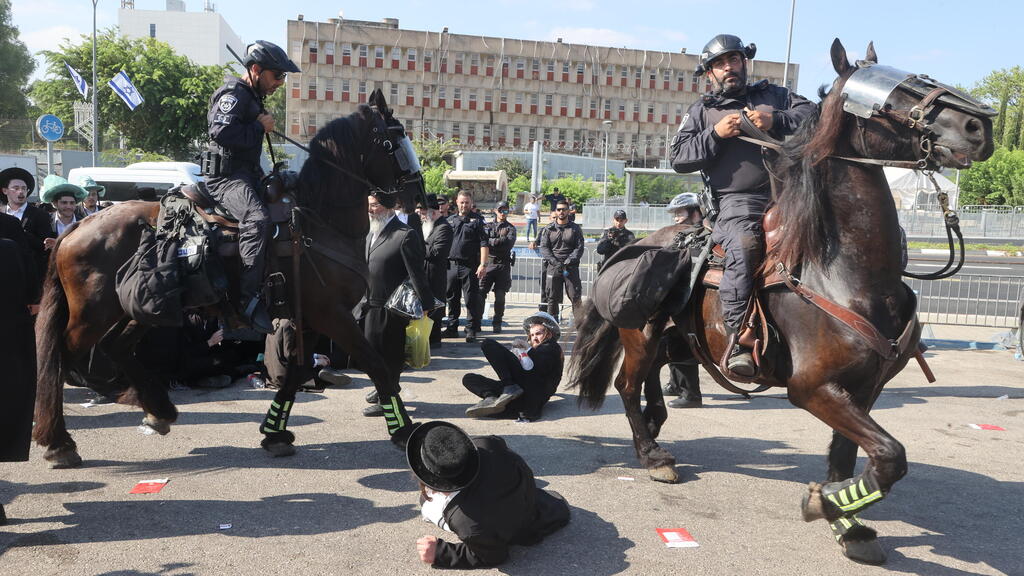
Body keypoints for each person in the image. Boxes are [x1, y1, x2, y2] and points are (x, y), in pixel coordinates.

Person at [671, 33, 815, 376]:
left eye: (733, 60)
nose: (728, 68)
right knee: (745, 244)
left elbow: (814, 115)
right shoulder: (702, 112)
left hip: (794, 193)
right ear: (709, 74)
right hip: (739, 203)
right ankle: (739, 341)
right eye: (720, 64)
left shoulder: (775, 95)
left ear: (744, 63)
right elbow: (678, 157)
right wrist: (716, 133)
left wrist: (776, 120)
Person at [204, 40, 300, 335]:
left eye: (283, 77)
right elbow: (220, 132)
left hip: (248, 175)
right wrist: (260, 127)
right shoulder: (233, 94)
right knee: (257, 219)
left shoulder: (253, 97)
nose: (280, 83)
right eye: (277, 76)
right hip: (226, 179)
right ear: (256, 70)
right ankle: (247, 302)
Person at [410, 421, 570, 568]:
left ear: (436, 483)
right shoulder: (487, 444)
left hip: (498, 524)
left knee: (426, 503)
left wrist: (441, 552)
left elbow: (493, 556)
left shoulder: (466, 521)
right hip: (525, 500)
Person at [359, 193, 434, 434]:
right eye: (369, 205)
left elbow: (416, 273)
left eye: (376, 205)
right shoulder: (370, 232)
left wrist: (426, 303)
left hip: (392, 308)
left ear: (390, 207)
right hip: (369, 304)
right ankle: (385, 391)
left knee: (388, 357)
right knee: (372, 354)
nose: (371, 210)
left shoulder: (405, 234)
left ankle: (388, 399)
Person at [463, 312, 564, 421]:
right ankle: (492, 398)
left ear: (549, 334)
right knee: (469, 378)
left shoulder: (552, 347)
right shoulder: (535, 351)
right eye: (532, 335)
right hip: (517, 399)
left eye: (538, 334)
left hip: (531, 396)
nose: (534, 338)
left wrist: (527, 349)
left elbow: (542, 367)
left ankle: (509, 388)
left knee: (488, 344)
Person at [443, 191, 489, 342]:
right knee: (452, 298)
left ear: (471, 203)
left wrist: (483, 264)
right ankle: (452, 328)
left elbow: (484, 244)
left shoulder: (477, 222)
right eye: (462, 202)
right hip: (450, 266)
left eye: (467, 202)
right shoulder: (449, 220)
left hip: (469, 266)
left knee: (470, 299)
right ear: (456, 202)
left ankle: (471, 329)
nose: (464, 205)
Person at [1, 167, 53, 296]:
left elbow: (44, 246)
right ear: (5, 190)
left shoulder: (40, 215)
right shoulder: (1, 213)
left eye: (24, 188)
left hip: (30, 274)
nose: (21, 192)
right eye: (16, 188)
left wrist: (19, 233)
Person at [416, 194, 453, 347]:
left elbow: (436, 253)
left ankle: (434, 341)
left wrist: (417, 241)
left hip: (435, 277)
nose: (422, 216)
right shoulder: (426, 226)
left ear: (433, 212)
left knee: (434, 311)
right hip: (423, 277)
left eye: (424, 213)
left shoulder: (444, 228)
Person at [538, 201, 585, 319]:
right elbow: (544, 248)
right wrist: (555, 262)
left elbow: (579, 247)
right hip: (553, 267)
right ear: (555, 211)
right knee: (552, 298)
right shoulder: (548, 229)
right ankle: (552, 325)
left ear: (568, 211)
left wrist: (569, 260)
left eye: (564, 209)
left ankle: (580, 326)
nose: (561, 212)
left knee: (575, 297)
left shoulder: (575, 229)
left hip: (571, 267)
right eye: (559, 209)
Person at [481, 201, 516, 333]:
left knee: (500, 297)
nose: (503, 213)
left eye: (505, 210)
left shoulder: (511, 228)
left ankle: (497, 322)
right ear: (495, 210)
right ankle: (476, 322)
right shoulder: (487, 226)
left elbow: (508, 243)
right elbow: (483, 241)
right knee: (480, 293)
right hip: (488, 263)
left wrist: (493, 241)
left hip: (503, 265)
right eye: (500, 210)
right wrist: (497, 241)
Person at [40, 175, 87, 246]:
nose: (69, 206)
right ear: (55, 203)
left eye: (72, 203)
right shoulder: (45, 221)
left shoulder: (83, 223)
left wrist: (58, 244)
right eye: (64, 202)